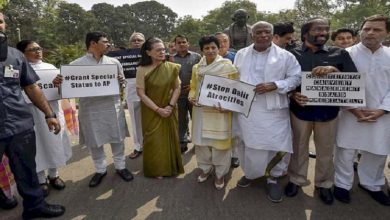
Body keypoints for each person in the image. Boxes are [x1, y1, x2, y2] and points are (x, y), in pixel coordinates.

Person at [285, 18, 358, 205]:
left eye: (326, 30)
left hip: (328, 113)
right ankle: (296, 179)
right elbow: (281, 79)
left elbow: (353, 80)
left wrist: (334, 70)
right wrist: (293, 94)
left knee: (325, 150)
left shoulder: (339, 53)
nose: (323, 33)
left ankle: (324, 184)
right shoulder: (291, 54)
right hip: (299, 111)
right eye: (318, 29)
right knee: (298, 147)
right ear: (305, 33)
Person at [0, 12, 65, 219]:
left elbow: (31, 86)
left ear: (4, 25)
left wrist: (49, 113)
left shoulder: (15, 56)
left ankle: (35, 206)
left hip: (19, 124)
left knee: (26, 169)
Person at [53, 32, 134, 187]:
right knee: (94, 141)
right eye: (105, 41)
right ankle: (100, 169)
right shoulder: (75, 65)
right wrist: (59, 84)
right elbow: (65, 90)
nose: (109, 44)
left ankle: (120, 166)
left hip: (112, 107)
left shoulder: (114, 62)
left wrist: (122, 82)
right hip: (90, 110)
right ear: (93, 43)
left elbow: (121, 85)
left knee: (117, 138)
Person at [234, 21, 301, 202]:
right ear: (252, 35)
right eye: (259, 32)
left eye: (267, 32)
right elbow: (233, 78)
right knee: (248, 144)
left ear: (272, 35)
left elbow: (296, 77)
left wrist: (276, 85)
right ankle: (251, 174)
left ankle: (273, 178)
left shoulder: (286, 56)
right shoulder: (241, 54)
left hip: (274, 110)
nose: (263, 35)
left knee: (275, 144)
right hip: (247, 109)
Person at [333, 15, 390, 206]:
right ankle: (342, 184)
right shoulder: (343, 54)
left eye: (377, 29)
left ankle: (372, 184)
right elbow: (335, 87)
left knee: (377, 150)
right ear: (360, 31)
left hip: (380, 114)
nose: (370, 33)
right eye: (366, 29)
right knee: (345, 150)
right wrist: (353, 109)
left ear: (387, 33)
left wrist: (383, 110)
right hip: (349, 113)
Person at [16, 40, 72, 198]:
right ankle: (41, 180)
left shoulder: (51, 68)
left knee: (54, 142)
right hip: (30, 113)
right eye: (32, 49)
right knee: (37, 145)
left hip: (52, 111)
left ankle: (54, 175)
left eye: (38, 48)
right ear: (22, 53)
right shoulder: (18, 69)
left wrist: (59, 84)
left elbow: (63, 90)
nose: (37, 51)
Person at [188, 35, 238, 190]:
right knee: (202, 144)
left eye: (213, 47)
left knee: (220, 145)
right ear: (202, 50)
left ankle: (220, 173)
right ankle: (205, 169)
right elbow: (193, 86)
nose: (210, 51)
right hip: (201, 110)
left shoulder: (228, 66)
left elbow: (234, 89)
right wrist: (191, 97)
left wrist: (228, 105)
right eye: (206, 48)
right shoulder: (197, 68)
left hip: (220, 112)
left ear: (219, 48)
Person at [136, 37, 184, 178]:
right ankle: (157, 169)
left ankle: (171, 167)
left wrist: (169, 106)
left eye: (163, 49)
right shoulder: (142, 70)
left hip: (169, 109)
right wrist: (158, 109)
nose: (162, 52)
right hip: (151, 110)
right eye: (158, 50)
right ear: (148, 52)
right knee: (154, 140)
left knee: (170, 138)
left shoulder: (171, 67)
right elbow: (141, 93)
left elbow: (177, 87)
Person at [107, 32, 145, 159]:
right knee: (135, 121)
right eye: (133, 40)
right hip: (132, 92)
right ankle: (138, 146)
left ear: (144, 42)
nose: (136, 42)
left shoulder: (151, 54)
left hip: (150, 92)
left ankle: (153, 146)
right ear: (130, 43)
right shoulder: (120, 58)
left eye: (139, 40)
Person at [172, 35, 201, 153]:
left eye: (184, 42)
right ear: (175, 45)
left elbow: (201, 73)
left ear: (188, 43)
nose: (182, 44)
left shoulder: (197, 57)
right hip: (178, 94)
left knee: (197, 118)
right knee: (181, 119)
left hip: (193, 93)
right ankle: (182, 141)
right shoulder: (171, 59)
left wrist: (193, 85)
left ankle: (198, 141)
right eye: (179, 42)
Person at [214, 32, 240, 169]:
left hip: (232, 97)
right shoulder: (209, 58)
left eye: (225, 41)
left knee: (234, 128)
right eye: (219, 41)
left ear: (229, 43)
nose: (222, 44)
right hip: (215, 99)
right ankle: (220, 155)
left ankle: (235, 155)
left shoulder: (236, 57)